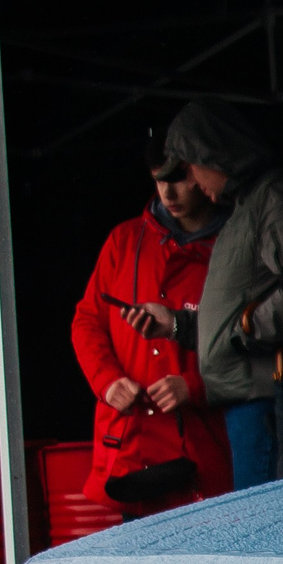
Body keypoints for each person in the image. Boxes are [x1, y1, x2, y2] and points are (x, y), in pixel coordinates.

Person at [134, 100, 283, 488]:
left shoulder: (276, 197)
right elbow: (238, 312)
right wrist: (178, 324)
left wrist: (247, 330)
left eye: (189, 168)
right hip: (257, 400)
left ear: (214, 155)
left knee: (271, 534)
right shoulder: (247, 207)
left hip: (275, 400)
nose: (190, 182)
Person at [68, 145, 234, 519]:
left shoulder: (233, 246)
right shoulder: (123, 241)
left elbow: (253, 347)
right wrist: (108, 381)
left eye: (177, 178)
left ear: (201, 172)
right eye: (159, 180)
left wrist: (193, 387)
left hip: (206, 453)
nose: (167, 193)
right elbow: (87, 322)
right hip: (133, 455)